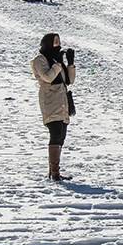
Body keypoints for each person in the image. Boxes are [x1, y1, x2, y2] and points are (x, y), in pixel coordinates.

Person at [31, 33, 76, 182]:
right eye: (55, 42)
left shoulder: (57, 60)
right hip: (50, 101)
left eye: (59, 42)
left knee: (61, 135)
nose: (57, 45)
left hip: (62, 101)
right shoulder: (40, 60)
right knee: (55, 133)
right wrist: (57, 64)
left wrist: (70, 63)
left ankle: (53, 171)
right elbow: (48, 77)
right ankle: (54, 173)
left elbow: (70, 80)